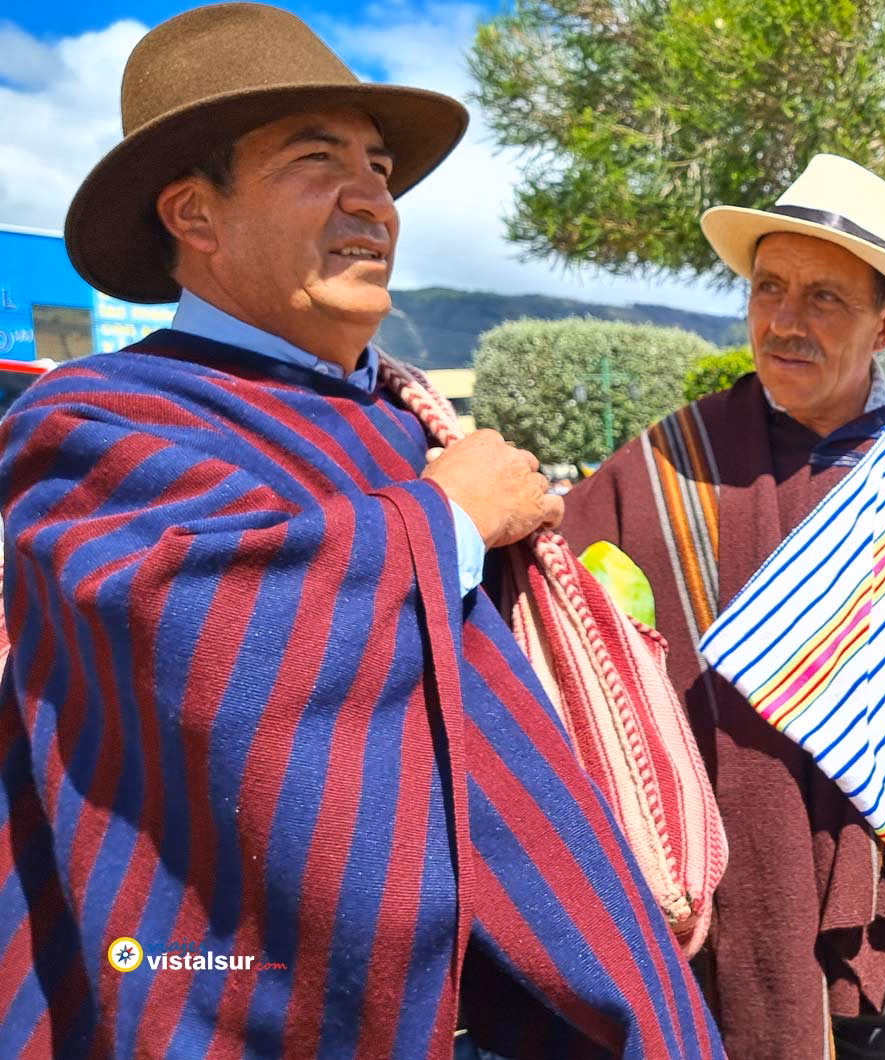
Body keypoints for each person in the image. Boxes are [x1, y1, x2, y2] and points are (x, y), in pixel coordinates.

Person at [0, 6, 720, 1057]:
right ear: (195, 214)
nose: (373, 199)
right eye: (317, 160)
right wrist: (449, 518)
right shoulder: (93, 421)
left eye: (379, 169)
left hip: (528, 999)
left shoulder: (403, 419)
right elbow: (197, 637)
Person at [561, 154, 885, 1059]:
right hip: (720, 912)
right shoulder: (667, 468)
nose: (785, 321)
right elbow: (558, 629)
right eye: (768, 289)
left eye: (824, 297)